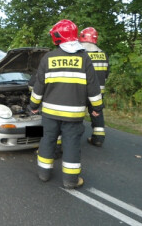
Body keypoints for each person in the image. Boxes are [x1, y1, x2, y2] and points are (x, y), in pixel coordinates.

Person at [29, 19, 103, 189]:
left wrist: (33, 106)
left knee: (47, 140)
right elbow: (93, 87)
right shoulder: (84, 58)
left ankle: (43, 173)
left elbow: (38, 87)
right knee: (71, 144)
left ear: (58, 37)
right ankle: (70, 180)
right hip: (73, 115)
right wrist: (97, 109)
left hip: (49, 114)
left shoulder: (48, 58)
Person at [79, 27, 109, 147]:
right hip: (98, 92)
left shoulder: (81, 53)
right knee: (97, 113)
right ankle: (98, 139)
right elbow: (106, 74)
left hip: (83, 91)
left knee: (76, 115)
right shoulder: (103, 54)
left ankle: (72, 139)